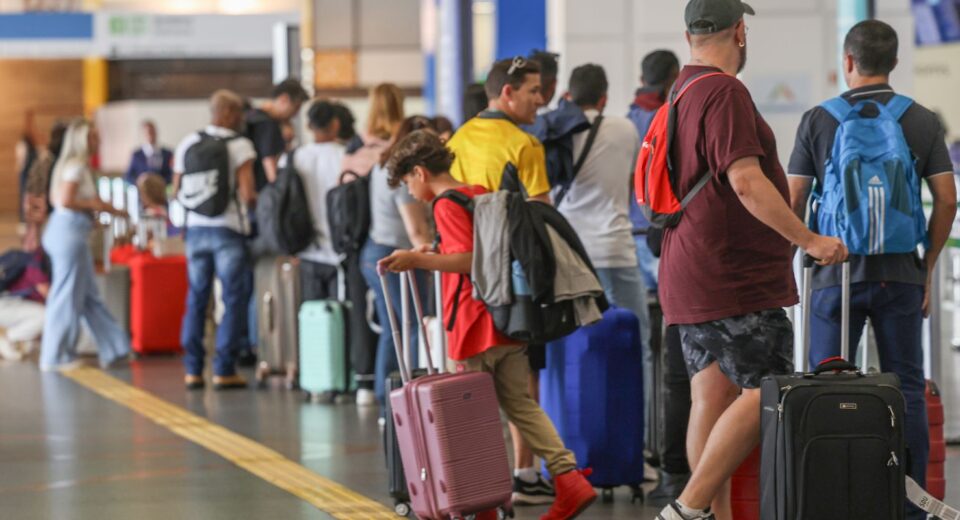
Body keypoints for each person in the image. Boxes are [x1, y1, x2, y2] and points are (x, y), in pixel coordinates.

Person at [654, 2, 848, 519]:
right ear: (740, 31)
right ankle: (688, 508)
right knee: (770, 388)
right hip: (730, 274)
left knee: (710, 397)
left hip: (689, 269)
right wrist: (808, 239)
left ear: (688, 35)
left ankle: (708, 515)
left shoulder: (680, 92)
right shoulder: (725, 92)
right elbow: (744, 180)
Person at [379, 130, 597, 520]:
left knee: (467, 419)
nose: (410, 192)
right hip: (506, 321)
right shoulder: (477, 192)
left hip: (471, 324)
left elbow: (468, 259)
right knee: (521, 405)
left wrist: (417, 259)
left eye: (408, 182)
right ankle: (569, 478)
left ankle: (483, 505)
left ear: (419, 172)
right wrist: (435, 250)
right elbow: (481, 250)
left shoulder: (446, 204)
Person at [788, 20, 957, 520]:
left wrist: (803, 252)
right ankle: (910, 507)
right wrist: (927, 264)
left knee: (827, 387)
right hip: (901, 273)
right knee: (906, 388)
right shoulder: (921, 119)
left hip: (833, 272)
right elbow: (947, 199)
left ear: (847, 61)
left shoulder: (818, 119)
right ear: (895, 63)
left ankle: (831, 500)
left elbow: (793, 199)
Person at [445, 56, 554, 505]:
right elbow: (542, 214)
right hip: (516, 279)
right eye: (533, 91)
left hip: (466, 276)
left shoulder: (458, 139)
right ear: (507, 93)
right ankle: (524, 473)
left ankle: (478, 481)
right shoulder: (524, 144)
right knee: (523, 378)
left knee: (472, 381)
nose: (540, 100)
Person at [174, 90, 257, 390]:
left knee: (197, 297)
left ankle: (193, 370)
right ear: (229, 113)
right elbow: (247, 193)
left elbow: (177, 190)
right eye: (239, 113)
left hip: (195, 231)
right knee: (232, 298)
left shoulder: (188, 142)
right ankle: (224, 369)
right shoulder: (240, 145)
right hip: (228, 230)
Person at [40, 118, 131, 372]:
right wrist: (95, 206)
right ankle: (55, 355)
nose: (98, 142)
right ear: (82, 140)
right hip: (67, 236)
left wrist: (101, 213)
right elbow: (64, 200)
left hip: (71, 233)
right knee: (66, 296)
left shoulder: (75, 167)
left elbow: (67, 200)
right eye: (93, 137)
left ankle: (115, 348)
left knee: (89, 296)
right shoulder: (76, 167)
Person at [359, 116, 435, 406]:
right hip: (396, 254)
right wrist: (432, 260)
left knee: (394, 329)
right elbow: (415, 230)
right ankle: (411, 395)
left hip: (374, 250)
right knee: (414, 325)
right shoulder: (404, 175)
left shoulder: (382, 165)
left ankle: (387, 400)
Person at [628, 50, 680, 294]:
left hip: (630, 235)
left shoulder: (627, 120)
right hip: (663, 232)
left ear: (642, 80)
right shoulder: (672, 120)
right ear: (675, 77)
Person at [290, 100, 346, 303]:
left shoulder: (294, 158)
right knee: (340, 315)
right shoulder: (346, 156)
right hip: (340, 250)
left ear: (308, 126)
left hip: (306, 248)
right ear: (335, 124)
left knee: (312, 315)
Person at [245, 78, 309, 192]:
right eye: (296, 107)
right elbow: (271, 167)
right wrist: (279, 194)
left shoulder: (251, 116)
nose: (295, 114)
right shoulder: (268, 125)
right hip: (263, 192)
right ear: (284, 99)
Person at [342, 83, 405, 176]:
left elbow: (345, 178)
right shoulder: (408, 141)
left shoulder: (356, 143)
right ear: (400, 104)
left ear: (372, 106)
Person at [0, 249, 49, 361]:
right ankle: (8, 339)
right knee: (44, 316)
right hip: (4, 303)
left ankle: (17, 342)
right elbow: (47, 293)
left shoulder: (32, 260)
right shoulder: (36, 262)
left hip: (8, 302)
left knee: (38, 315)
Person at [124, 120, 173, 186]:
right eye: (147, 132)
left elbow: (171, 174)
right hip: (142, 190)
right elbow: (128, 176)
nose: (150, 135)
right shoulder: (137, 155)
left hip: (161, 189)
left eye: (152, 132)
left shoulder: (167, 154)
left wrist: (161, 182)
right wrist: (140, 182)